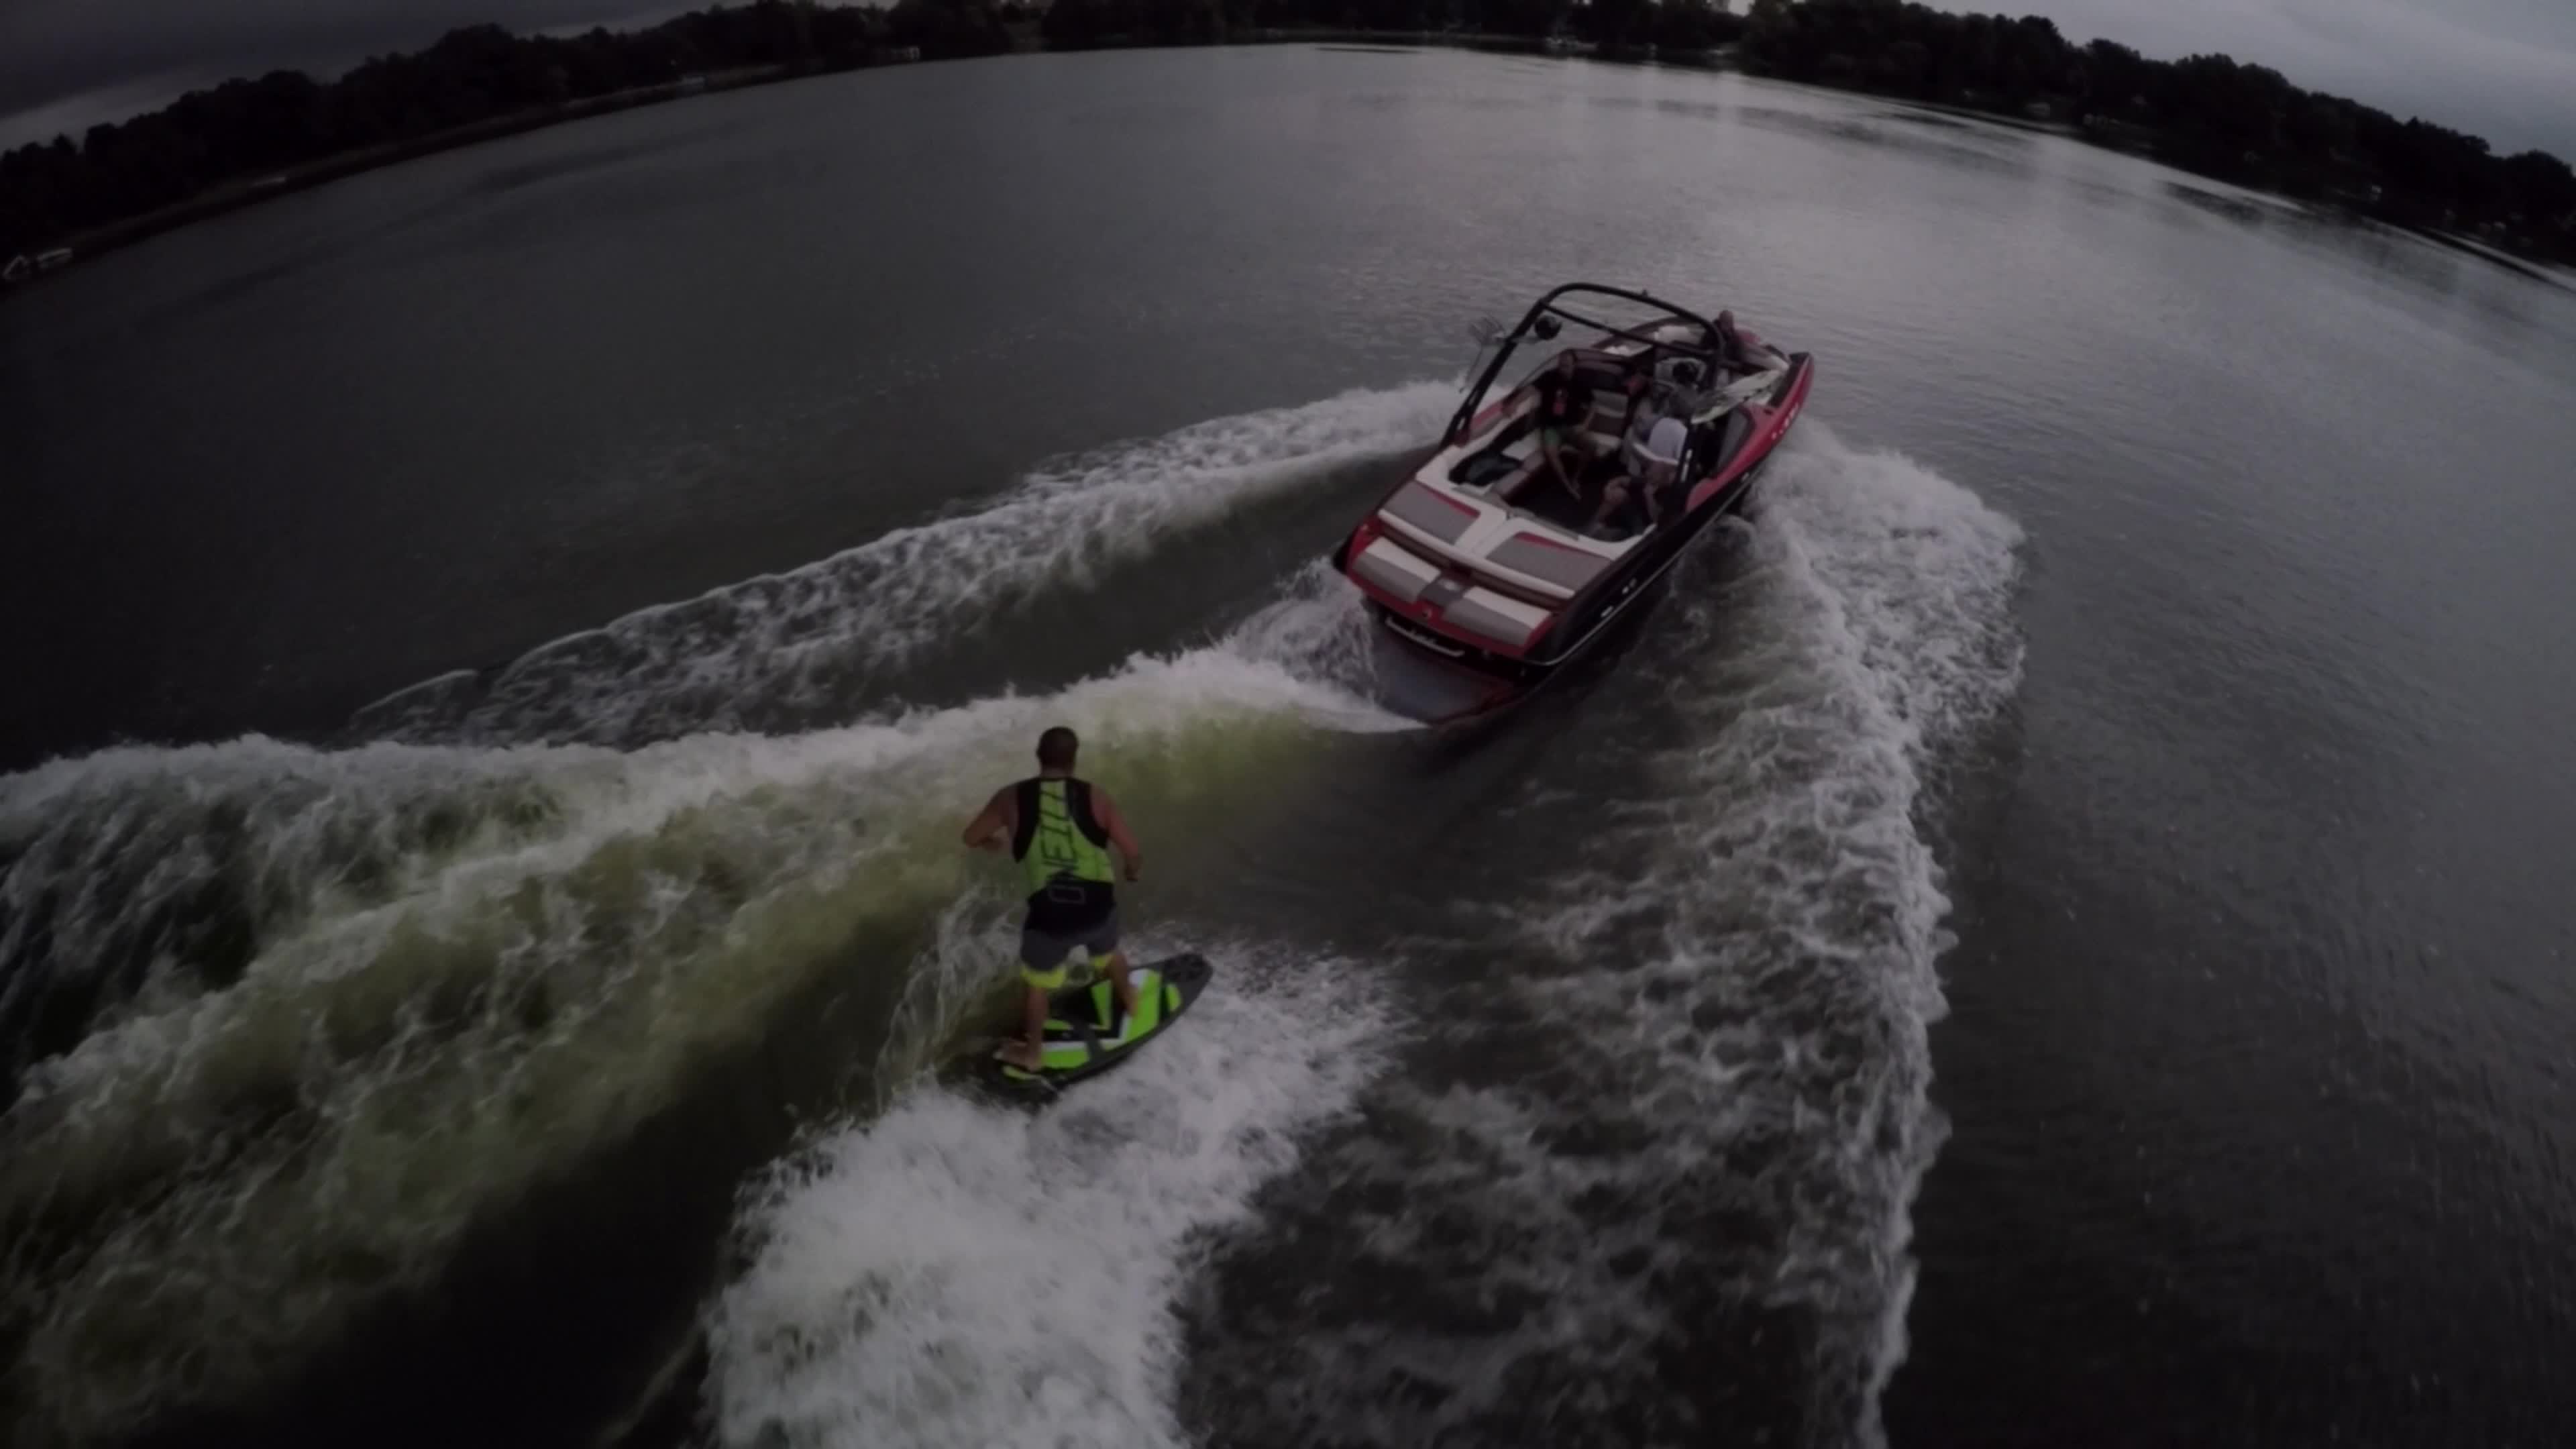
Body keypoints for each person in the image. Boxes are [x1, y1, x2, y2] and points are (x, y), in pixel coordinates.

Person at [961, 726, 1145, 1070]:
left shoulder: (1009, 798)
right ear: (1074, 761)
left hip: (1050, 917)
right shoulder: (1096, 797)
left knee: (1036, 985)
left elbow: (970, 836)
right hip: (1097, 908)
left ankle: (1032, 1054)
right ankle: (1130, 998)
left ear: (1038, 756)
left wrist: (993, 843)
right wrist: (1132, 872)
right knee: (1108, 953)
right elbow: (1132, 852)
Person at [1530, 351, 1596, 499]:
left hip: (1572, 427)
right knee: (1551, 452)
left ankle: (1576, 477)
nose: (1562, 369)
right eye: (1561, 365)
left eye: (1566, 366)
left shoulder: (1581, 383)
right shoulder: (1549, 377)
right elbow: (1530, 389)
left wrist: (1585, 425)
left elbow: (1593, 406)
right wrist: (1513, 404)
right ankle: (1567, 485)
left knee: (1592, 444)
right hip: (1551, 427)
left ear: (1574, 365)